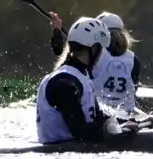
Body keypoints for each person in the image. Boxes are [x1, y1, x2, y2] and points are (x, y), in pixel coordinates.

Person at [49, 10, 153, 126]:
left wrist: (57, 31)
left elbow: (62, 55)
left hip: (100, 116)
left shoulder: (95, 56)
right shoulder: (133, 59)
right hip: (127, 116)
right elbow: (133, 88)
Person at [36, 16, 121, 144]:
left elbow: (99, 119)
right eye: (101, 48)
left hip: (71, 155)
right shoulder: (64, 83)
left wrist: (133, 123)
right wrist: (116, 130)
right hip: (61, 158)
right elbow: (80, 131)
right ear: (94, 48)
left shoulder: (80, 77)